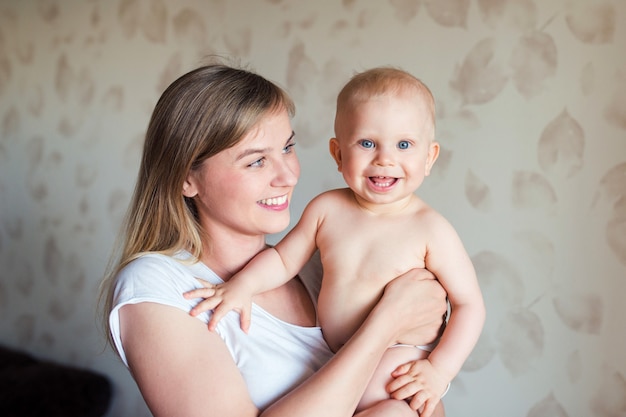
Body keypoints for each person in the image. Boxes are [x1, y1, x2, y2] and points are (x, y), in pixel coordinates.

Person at [98, 62, 449, 417]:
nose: (288, 175)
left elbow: (426, 409)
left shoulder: (322, 266)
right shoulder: (159, 285)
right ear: (187, 179)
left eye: (287, 148)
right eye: (256, 162)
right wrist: (384, 326)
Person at [184, 67, 486, 417]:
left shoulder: (430, 229)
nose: (384, 158)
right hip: (342, 360)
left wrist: (440, 371)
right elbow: (283, 260)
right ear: (339, 153)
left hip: (399, 357)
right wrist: (241, 287)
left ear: (430, 157)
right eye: (367, 143)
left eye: (404, 145)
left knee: (392, 411)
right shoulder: (327, 209)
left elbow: (470, 306)